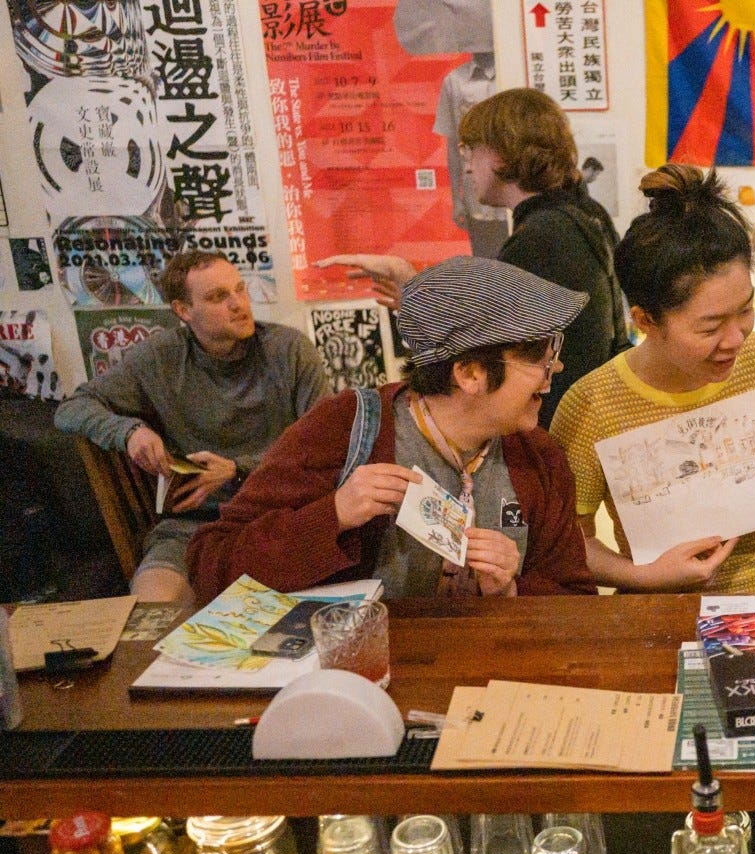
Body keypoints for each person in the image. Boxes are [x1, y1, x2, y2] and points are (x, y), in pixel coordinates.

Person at [187, 257, 596, 603]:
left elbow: (576, 598)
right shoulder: (348, 427)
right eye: (539, 359)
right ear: (470, 374)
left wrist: (511, 590)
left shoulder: (539, 457)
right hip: (362, 668)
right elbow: (210, 564)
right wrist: (333, 515)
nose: (554, 370)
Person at [549, 164, 755, 595]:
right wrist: (646, 576)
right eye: (710, 327)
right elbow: (569, 541)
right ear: (646, 321)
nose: (736, 338)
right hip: (662, 611)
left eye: (746, 310)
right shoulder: (591, 404)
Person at [316, 88, 627, 430]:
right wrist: (412, 289)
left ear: (504, 152)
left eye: (472, 149)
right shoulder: (581, 215)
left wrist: (412, 287)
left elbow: (481, 358)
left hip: (555, 429)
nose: (466, 166)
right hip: (588, 420)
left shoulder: (541, 237)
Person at [55, 250, 330, 606]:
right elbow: (72, 408)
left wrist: (237, 469)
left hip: (279, 515)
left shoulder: (288, 349)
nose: (238, 304)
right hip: (194, 525)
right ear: (184, 310)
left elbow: (325, 446)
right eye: (218, 297)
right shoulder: (161, 356)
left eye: (240, 289)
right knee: (152, 608)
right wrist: (130, 431)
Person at [392, 0, 510, 258]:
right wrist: (456, 199)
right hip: (477, 197)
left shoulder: (514, 73)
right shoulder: (455, 81)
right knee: (485, 265)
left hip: (514, 194)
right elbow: (453, 145)